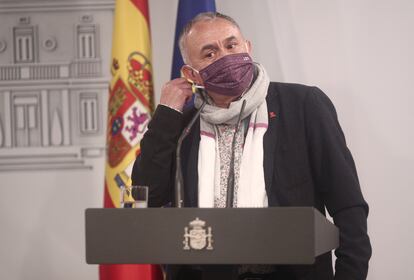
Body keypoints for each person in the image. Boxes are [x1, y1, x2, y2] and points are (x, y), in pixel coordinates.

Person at [131, 12, 371, 280]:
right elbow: (148, 197)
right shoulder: (183, 124)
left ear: (248, 47)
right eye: (209, 54)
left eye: (231, 45)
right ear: (192, 74)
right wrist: (166, 115)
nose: (225, 57)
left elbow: (348, 205)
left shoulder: (302, 105)